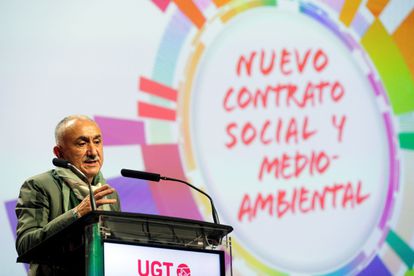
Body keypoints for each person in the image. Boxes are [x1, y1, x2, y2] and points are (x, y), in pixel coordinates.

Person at [15, 115, 121, 275]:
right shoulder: (39, 186)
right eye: (82, 143)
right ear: (59, 152)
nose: (93, 152)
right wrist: (76, 213)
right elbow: (25, 246)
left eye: (97, 142)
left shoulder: (108, 194)